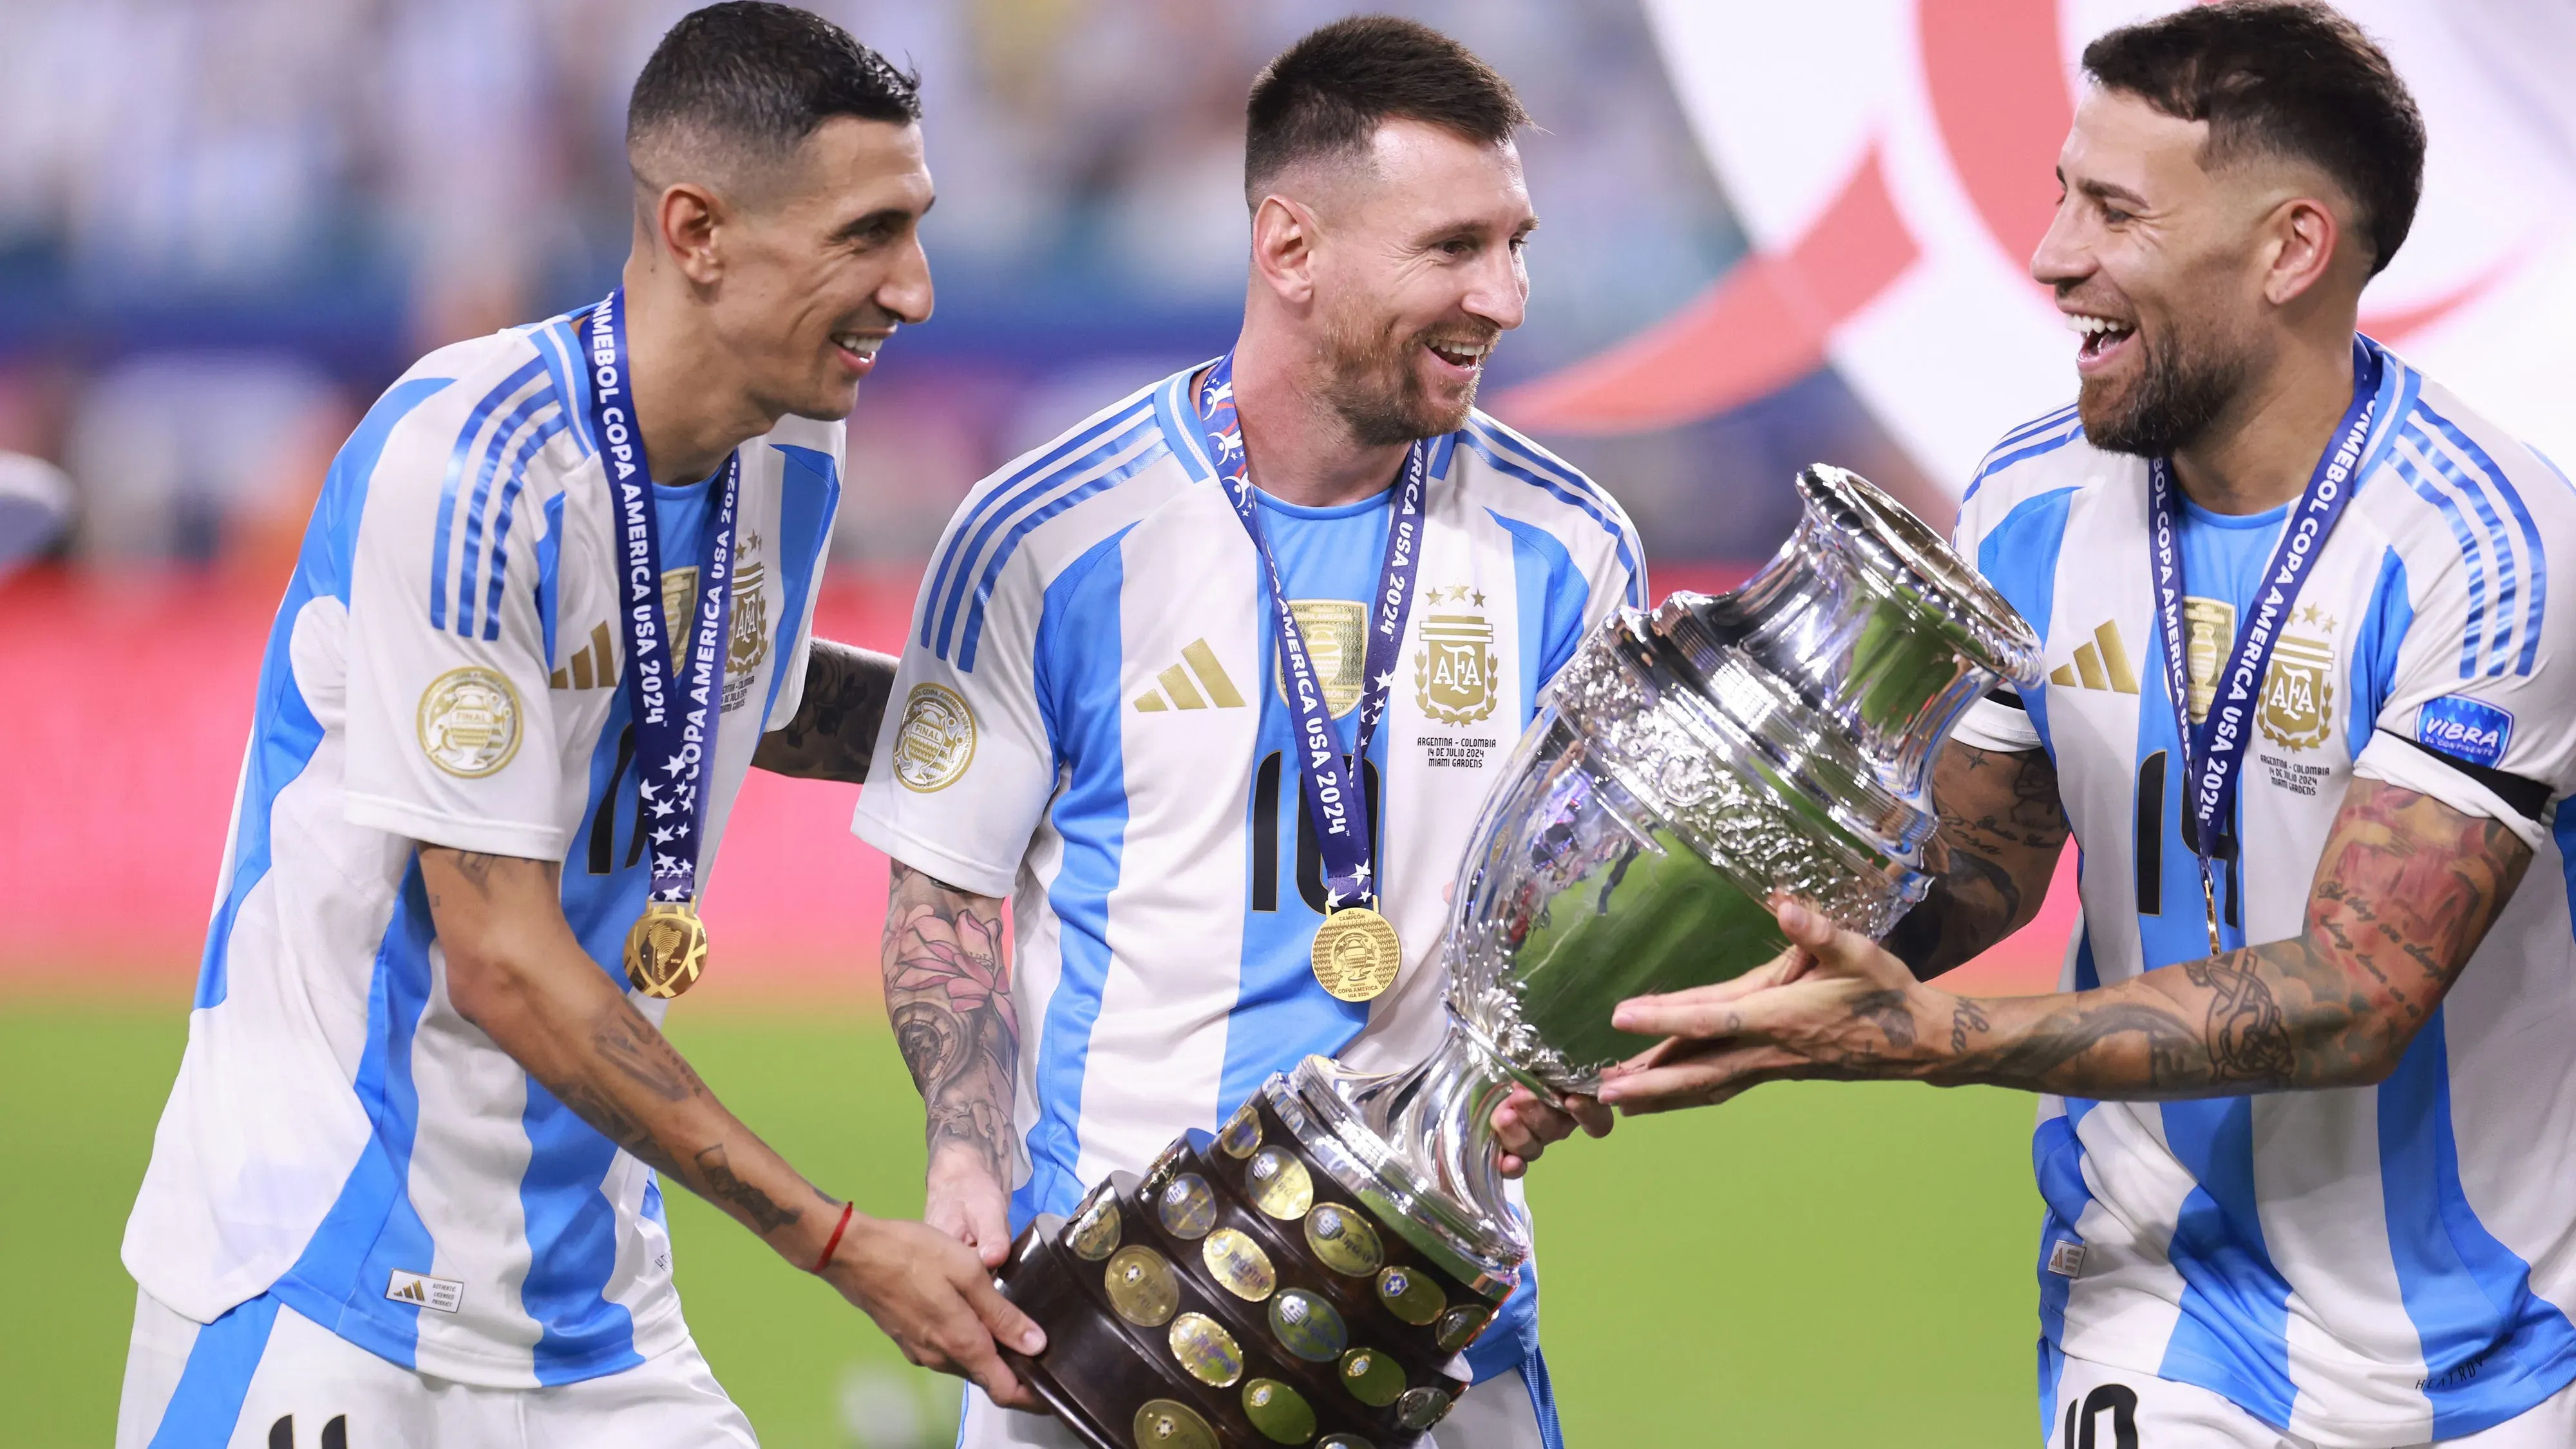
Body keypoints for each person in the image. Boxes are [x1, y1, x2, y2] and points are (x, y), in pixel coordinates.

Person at [1600, 4, 2576, 1446]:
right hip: (2159, 1308)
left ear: (2288, 250)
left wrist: (1932, 1036)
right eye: (2061, 192)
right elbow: (1974, 869)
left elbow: (2361, 991)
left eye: (2110, 210)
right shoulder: (2029, 503)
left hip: (2493, 1352)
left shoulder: (2487, 551)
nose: (2051, 255)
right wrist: (1705, 953)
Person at [114, 7, 1045, 1444]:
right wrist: (839, 1241)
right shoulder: (470, 466)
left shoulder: (790, 441)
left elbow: (756, 699)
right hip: (325, 1287)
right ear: (697, 230)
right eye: (866, 235)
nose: (911, 290)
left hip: (590, 1310)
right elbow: (498, 958)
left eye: (913, 228)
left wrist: (1050, 729)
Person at [853, 17, 1634, 1447]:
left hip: (1438, 1338)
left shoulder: (1571, 551)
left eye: (1515, 243)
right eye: (1454, 247)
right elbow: (947, 889)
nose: (1505, 295)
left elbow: (1584, 908)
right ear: (1289, 249)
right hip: (1096, 1328)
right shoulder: (1045, 533)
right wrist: (965, 1155)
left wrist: (1560, 1052)